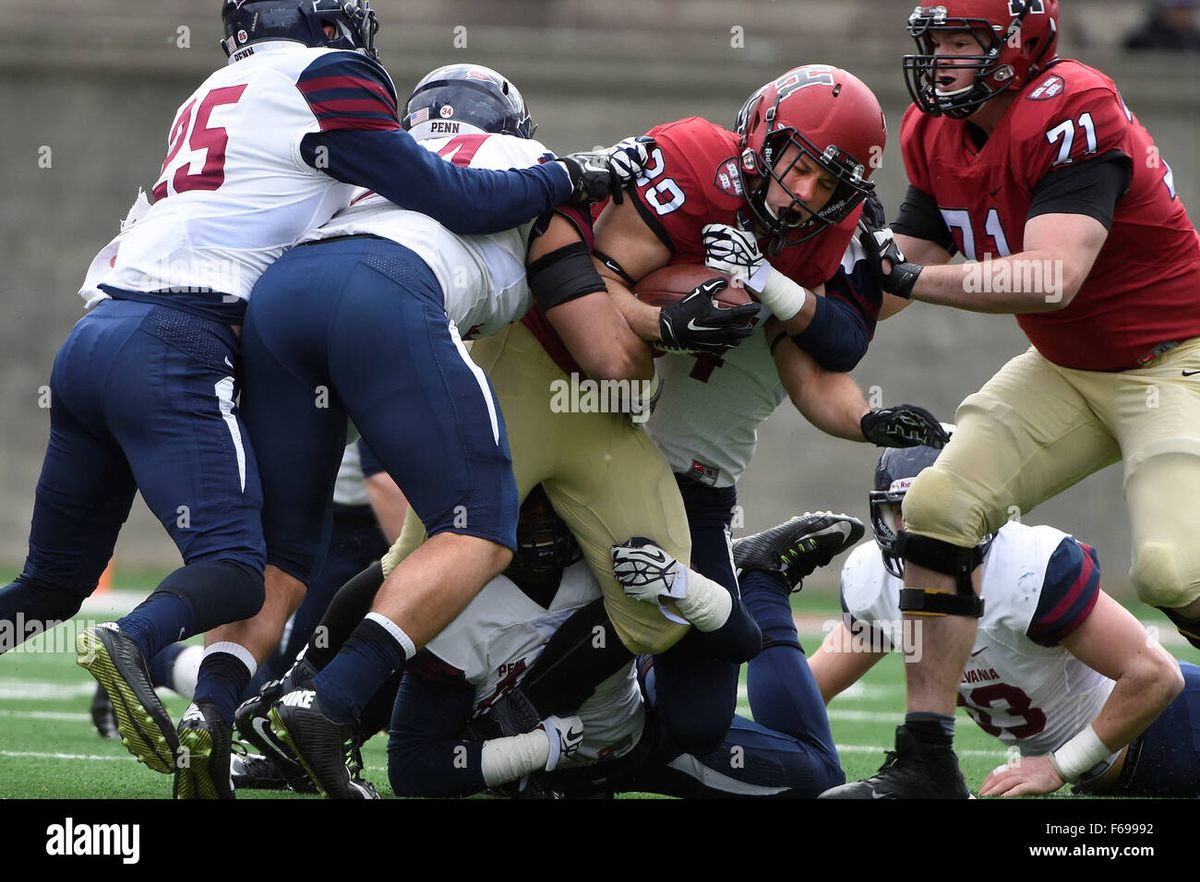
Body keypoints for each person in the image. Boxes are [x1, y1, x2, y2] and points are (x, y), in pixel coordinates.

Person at [0, 0, 641, 800]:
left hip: (131, 324)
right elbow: (466, 203)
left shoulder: (212, 94)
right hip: (194, 333)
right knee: (342, 549)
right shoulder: (333, 77)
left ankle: (213, 714)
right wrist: (574, 177)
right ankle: (275, 688)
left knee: (114, 578)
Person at [246, 63, 663, 799]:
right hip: (390, 295)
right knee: (479, 527)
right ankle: (327, 704)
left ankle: (240, 699)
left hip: (280, 297)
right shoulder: (527, 164)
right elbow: (594, 330)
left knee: (287, 539)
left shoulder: (381, 157)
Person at [846, 0, 1200, 798]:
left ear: (1018, 44)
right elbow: (900, 267)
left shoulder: (1074, 106)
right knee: (938, 507)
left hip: (1172, 356)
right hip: (1069, 364)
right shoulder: (934, 131)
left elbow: (1050, 277)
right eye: (935, 41)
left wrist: (904, 277)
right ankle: (926, 762)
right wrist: (807, 293)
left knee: (1176, 574)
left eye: (962, 41)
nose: (942, 59)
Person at [381, 488, 860, 799]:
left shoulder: (607, 559)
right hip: (544, 772)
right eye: (528, 509)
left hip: (637, 737)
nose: (542, 527)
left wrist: (683, 586)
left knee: (819, 783)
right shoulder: (458, 604)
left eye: (551, 509)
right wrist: (533, 749)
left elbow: (741, 640)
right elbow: (412, 768)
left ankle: (764, 579)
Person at [814, 444, 1196, 798]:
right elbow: (808, 690)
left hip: (1176, 727)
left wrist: (1058, 766)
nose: (923, 528)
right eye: (907, 511)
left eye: (940, 509)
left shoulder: (1026, 571)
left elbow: (1156, 675)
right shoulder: (876, 582)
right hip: (1113, 770)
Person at [1124, 0, 1200, 53]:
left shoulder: (1195, 40)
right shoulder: (1141, 40)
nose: (1184, 15)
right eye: (1179, 9)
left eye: (1188, 9)